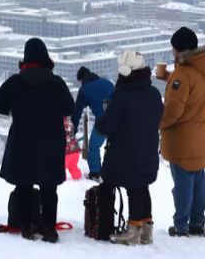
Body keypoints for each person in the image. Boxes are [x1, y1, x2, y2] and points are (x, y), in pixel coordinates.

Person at [0, 38, 75, 243]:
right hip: (51, 141)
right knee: (49, 188)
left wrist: (12, 109)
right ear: (46, 57)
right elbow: (69, 108)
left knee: (24, 185)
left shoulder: (15, 82)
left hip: (22, 141)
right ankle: (49, 229)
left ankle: (27, 227)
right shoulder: (56, 82)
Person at [97, 51, 164, 246]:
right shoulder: (154, 94)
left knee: (133, 187)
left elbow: (106, 127)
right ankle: (146, 229)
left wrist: (103, 119)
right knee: (142, 186)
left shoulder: (122, 96)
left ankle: (133, 230)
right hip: (149, 152)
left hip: (125, 155)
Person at [157, 27, 205, 237]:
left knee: (183, 185)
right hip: (199, 134)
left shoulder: (182, 75)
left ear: (178, 49)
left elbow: (173, 110)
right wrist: (168, 77)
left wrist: (158, 123)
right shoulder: (204, 68)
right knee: (199, 181)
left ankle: (181, 225)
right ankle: (198, 223)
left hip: (181, 138)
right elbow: (193, 88)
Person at [72, 66, 115, 181]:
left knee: (94, 146)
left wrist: (73, 131)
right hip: (118, 121)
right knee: (115, 146)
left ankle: (95, 173)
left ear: (82, 79)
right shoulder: (107, 83)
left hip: (103, 123)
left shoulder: (85, 89)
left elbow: (77, 113)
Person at [63, 116, 82, 180]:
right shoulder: (70, 123)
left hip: (66, 153)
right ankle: (77, 177)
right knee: (73, 166)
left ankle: (62, 179)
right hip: (75, 151)